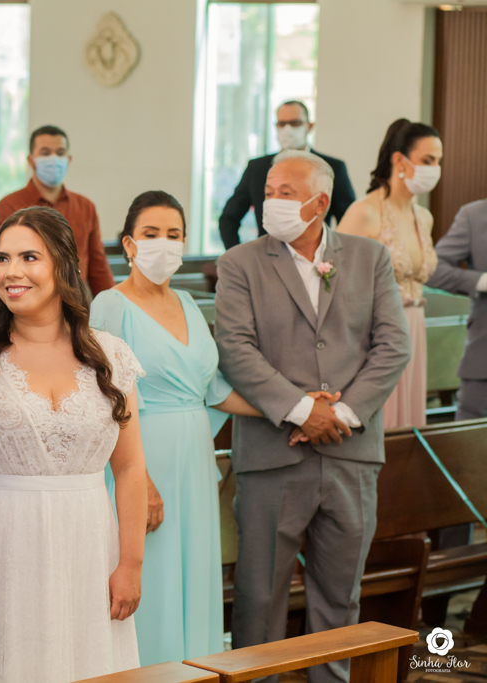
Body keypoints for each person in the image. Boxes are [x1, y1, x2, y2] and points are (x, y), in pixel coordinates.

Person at [90, 191, 334, 665]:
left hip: (194, 461)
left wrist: (299, 408)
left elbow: (214, 390)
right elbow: (105, 400)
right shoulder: (110, 305)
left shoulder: (187, 302)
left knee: (193, 571)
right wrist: (143, 483)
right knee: (153, 576)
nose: (164, 243)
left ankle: (191, 670)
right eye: (151, 234)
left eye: (174, 234)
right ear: (129, 244)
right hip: (143, 458)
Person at [0, 206, 155, 682]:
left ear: (63, 266)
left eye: (29, 257)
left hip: (88, 548)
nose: (12, 271)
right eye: (2, 259)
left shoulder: (111, 357)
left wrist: (130, 563)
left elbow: (131, 468)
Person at [215, 150, 410, 683]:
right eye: (268, 191)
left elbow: (393, 345)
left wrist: (340, 413)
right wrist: (302, 410)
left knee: (340, 597)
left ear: (320, 203)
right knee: (259, 597)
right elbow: (235, 350)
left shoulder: (369, 257)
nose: (271, 201)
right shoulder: (240, 264)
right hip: (272, 454)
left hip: (350, 451)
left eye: (285, 193)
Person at [336, 119, 443, 429]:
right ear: (400, 160)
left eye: (438, 161)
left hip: (415, 327)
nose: (435, 169)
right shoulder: (364, 212)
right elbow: (334, 282)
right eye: (427, 160)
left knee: (408, 428)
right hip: (377, 333)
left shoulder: (423, 216)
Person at [0, 125, 115, 296]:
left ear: (68, 159)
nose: (54, 159)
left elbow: (98, 266)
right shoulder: (9, 206)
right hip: (25, 300)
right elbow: (1, 266)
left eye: (60, 153)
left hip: (74, 302)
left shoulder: (85, 207)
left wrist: (113, 303)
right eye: (45, 153)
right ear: (31, 160)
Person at [219, 101, 355, 250]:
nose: (287, 129)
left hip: (317, 255)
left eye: (295, 123)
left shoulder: (332, 167)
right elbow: (229, 218)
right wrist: (238, 256)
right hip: (267, 255)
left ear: (309, 126)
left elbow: (349, 220)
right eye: (282, 124)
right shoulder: (257, 168)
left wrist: (337, 255)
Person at [426, 199, 487, 420]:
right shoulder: (474, 215)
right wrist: (481, 281)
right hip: (483, 355)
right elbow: (433, 269)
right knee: (470, 432)